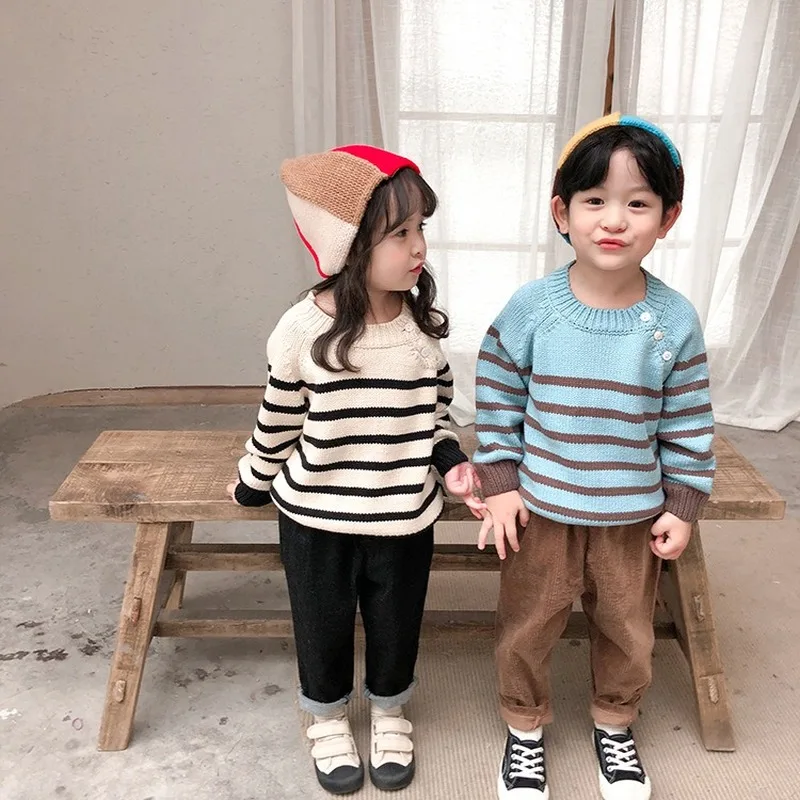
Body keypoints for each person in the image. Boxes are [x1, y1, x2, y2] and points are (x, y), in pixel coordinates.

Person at [473, 114, 716, 800]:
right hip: (541, 509)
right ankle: (524, 729)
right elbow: (496, 394)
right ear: (563, 212)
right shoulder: (532, 308)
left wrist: (683, 503)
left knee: (629, 631)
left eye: (637, 203)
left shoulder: (674, 320)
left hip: (631, 515)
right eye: (594, 200)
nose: (614, 220)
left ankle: (615, 722)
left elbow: (688, 419)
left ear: (667, 218)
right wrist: (500, 481)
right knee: (526, 626)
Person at [228, 144, 483, 795]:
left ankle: (391, 712)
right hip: (316, 517)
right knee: (321, 623)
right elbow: (279, 420)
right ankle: (328, 718)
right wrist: (254, 479)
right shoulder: (300, 331)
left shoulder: (419, 333)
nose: (419, 246)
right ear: (347, 245)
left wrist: (451, 462)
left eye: (421, 227)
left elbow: (434, 417)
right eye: (399, 233)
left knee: (398, 622)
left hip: (403, 515)